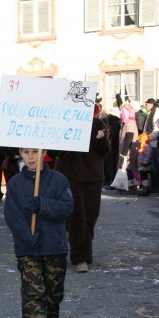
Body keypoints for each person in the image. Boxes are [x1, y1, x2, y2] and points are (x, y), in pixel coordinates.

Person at [4, 147, 73, 318]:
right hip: (29, 248)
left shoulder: (59, 180)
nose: (31, 157)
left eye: (35, 152)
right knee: (33, 294)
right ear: (20, 154)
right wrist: (27, 236)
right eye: (26, 152)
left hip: (55, 246)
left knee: (53, 295)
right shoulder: (16, 183)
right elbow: (12, 215)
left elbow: (67, 208)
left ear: (44, 153)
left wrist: (42, 204)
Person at [52, 107, 111, 273]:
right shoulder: (64, 122)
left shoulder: (97, 123)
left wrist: (101, 139)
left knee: (91, 217)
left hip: (93, 175)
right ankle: (81, 258)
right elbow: (53, 151)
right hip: (70, 175)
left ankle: (83, 245)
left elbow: (105, 151)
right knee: (77, 217)